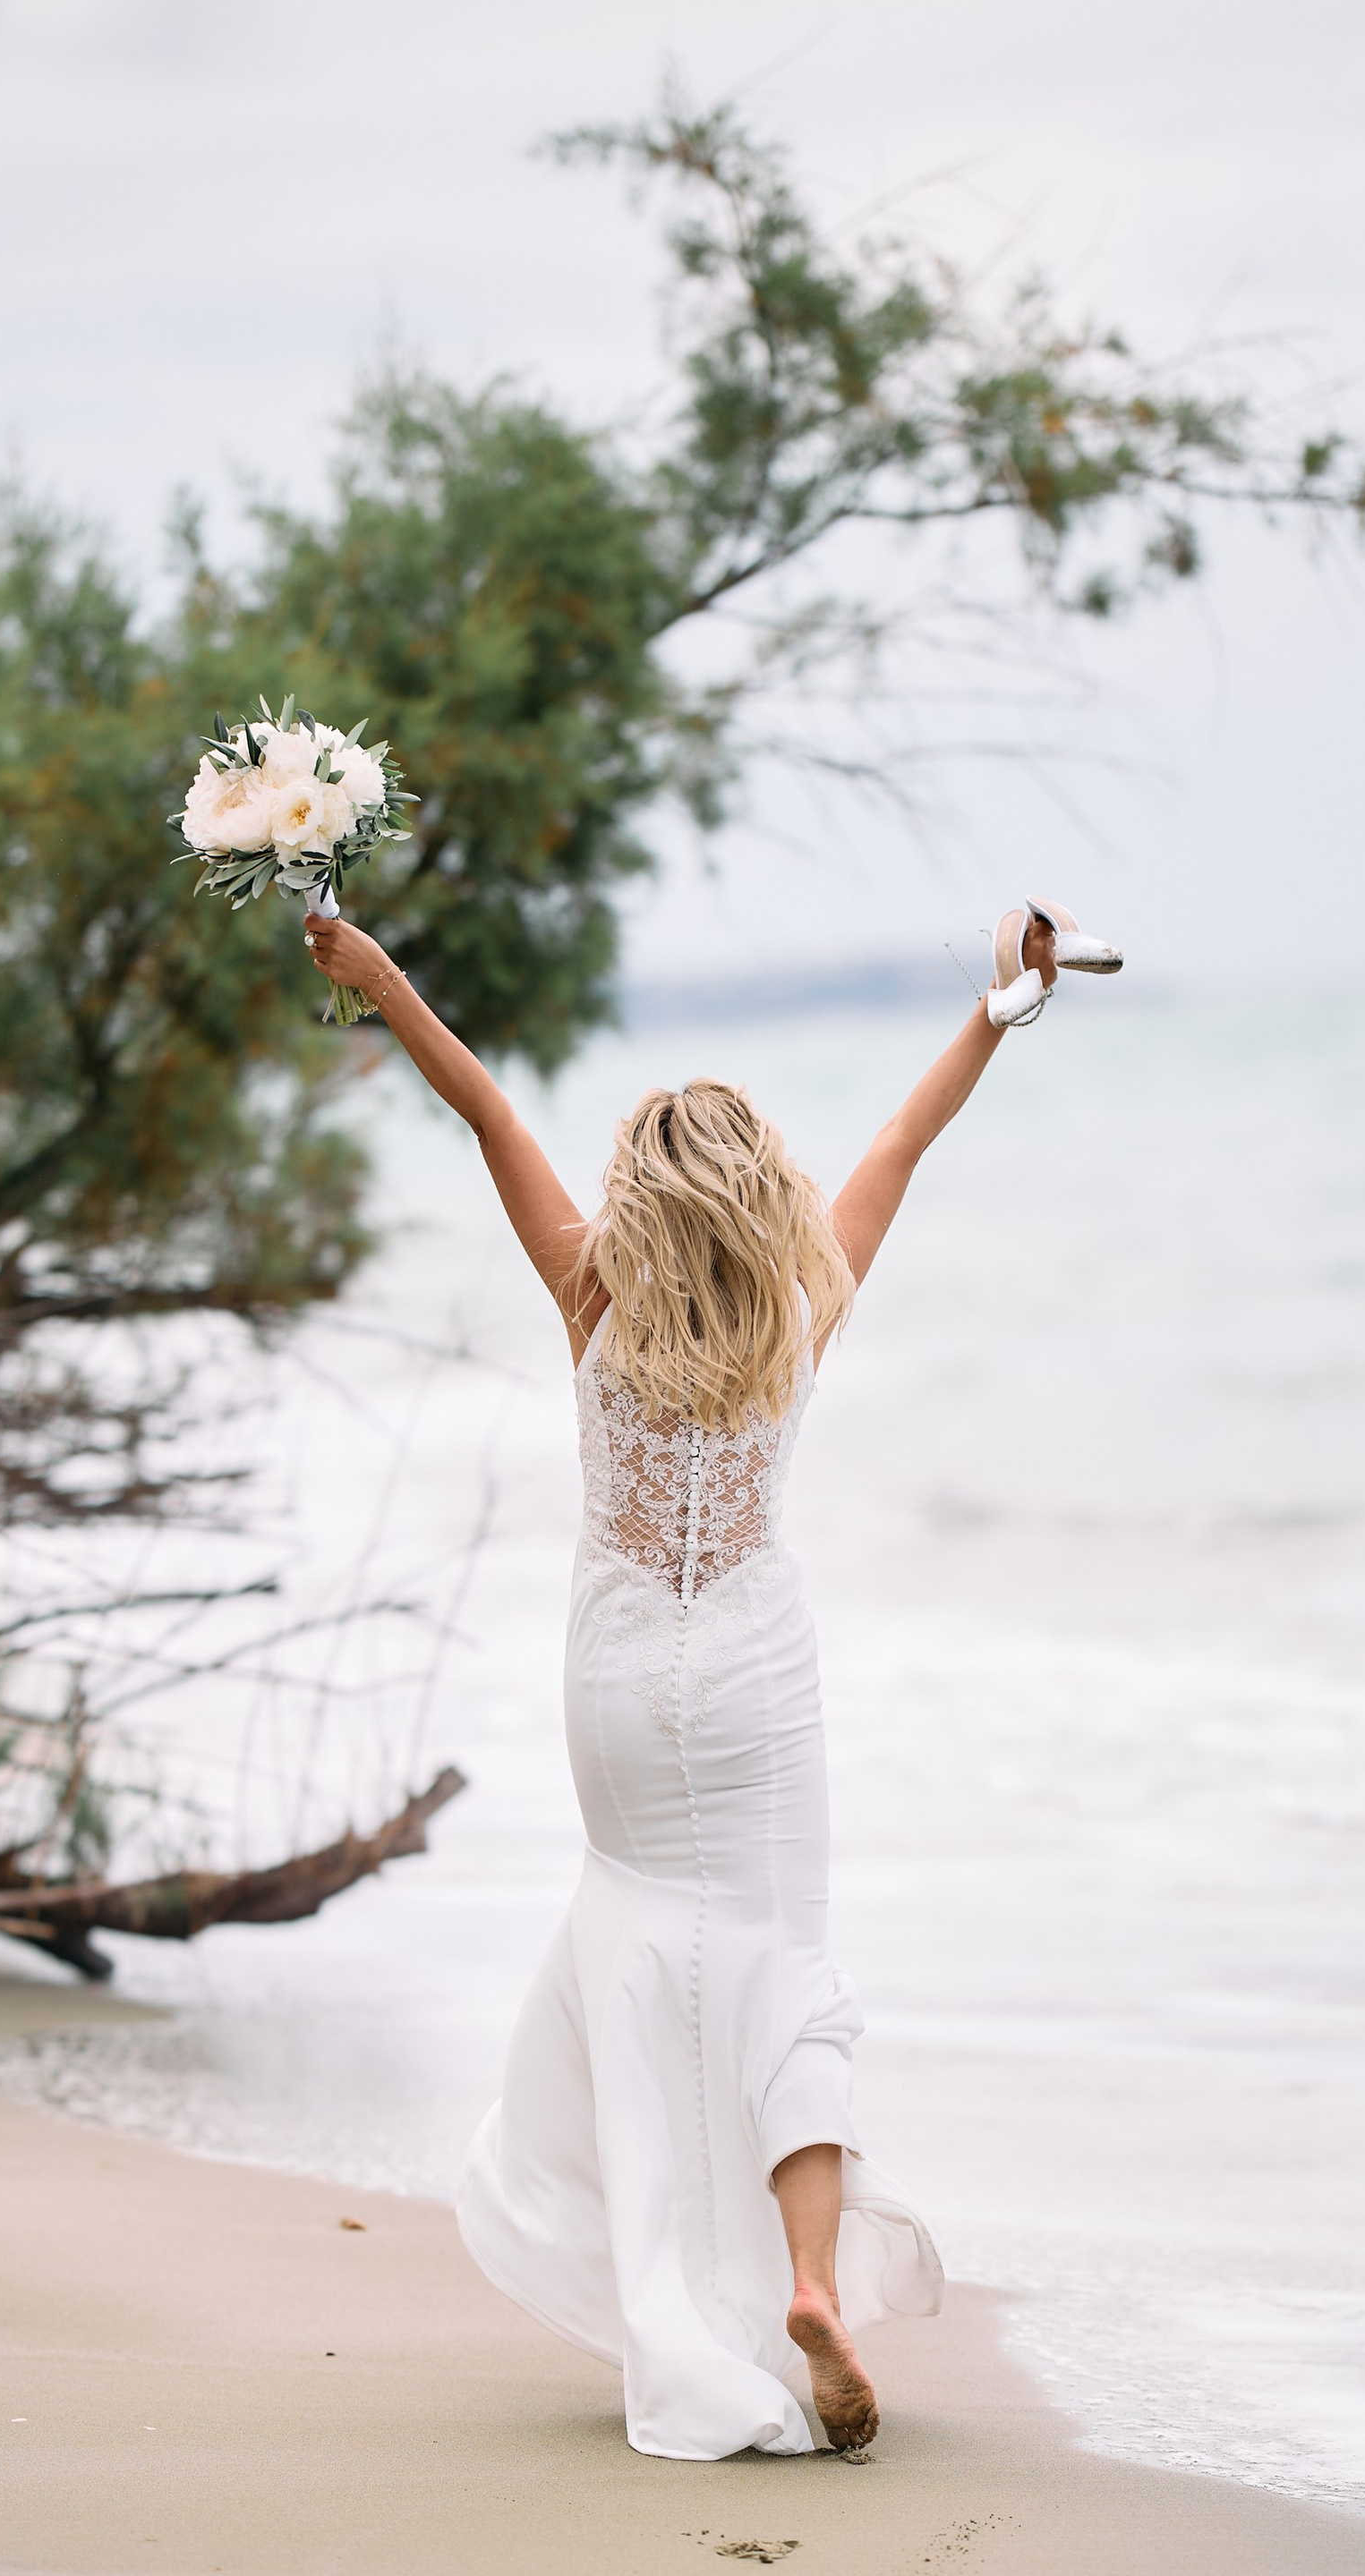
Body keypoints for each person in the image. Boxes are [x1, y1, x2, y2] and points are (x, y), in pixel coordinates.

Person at [303, 901, 1065, 2461]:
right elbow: (904, 1148)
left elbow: (483, 1104)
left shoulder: (591, 1294)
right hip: (754, 1675)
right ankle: (800, 2281)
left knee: (641, 1957)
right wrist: (999, 1009)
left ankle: (674, 2286)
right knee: (783, 1965)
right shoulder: (803, 1311)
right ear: (758, 1194)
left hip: (616, 1677)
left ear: (642, 1203)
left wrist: (382, 977)